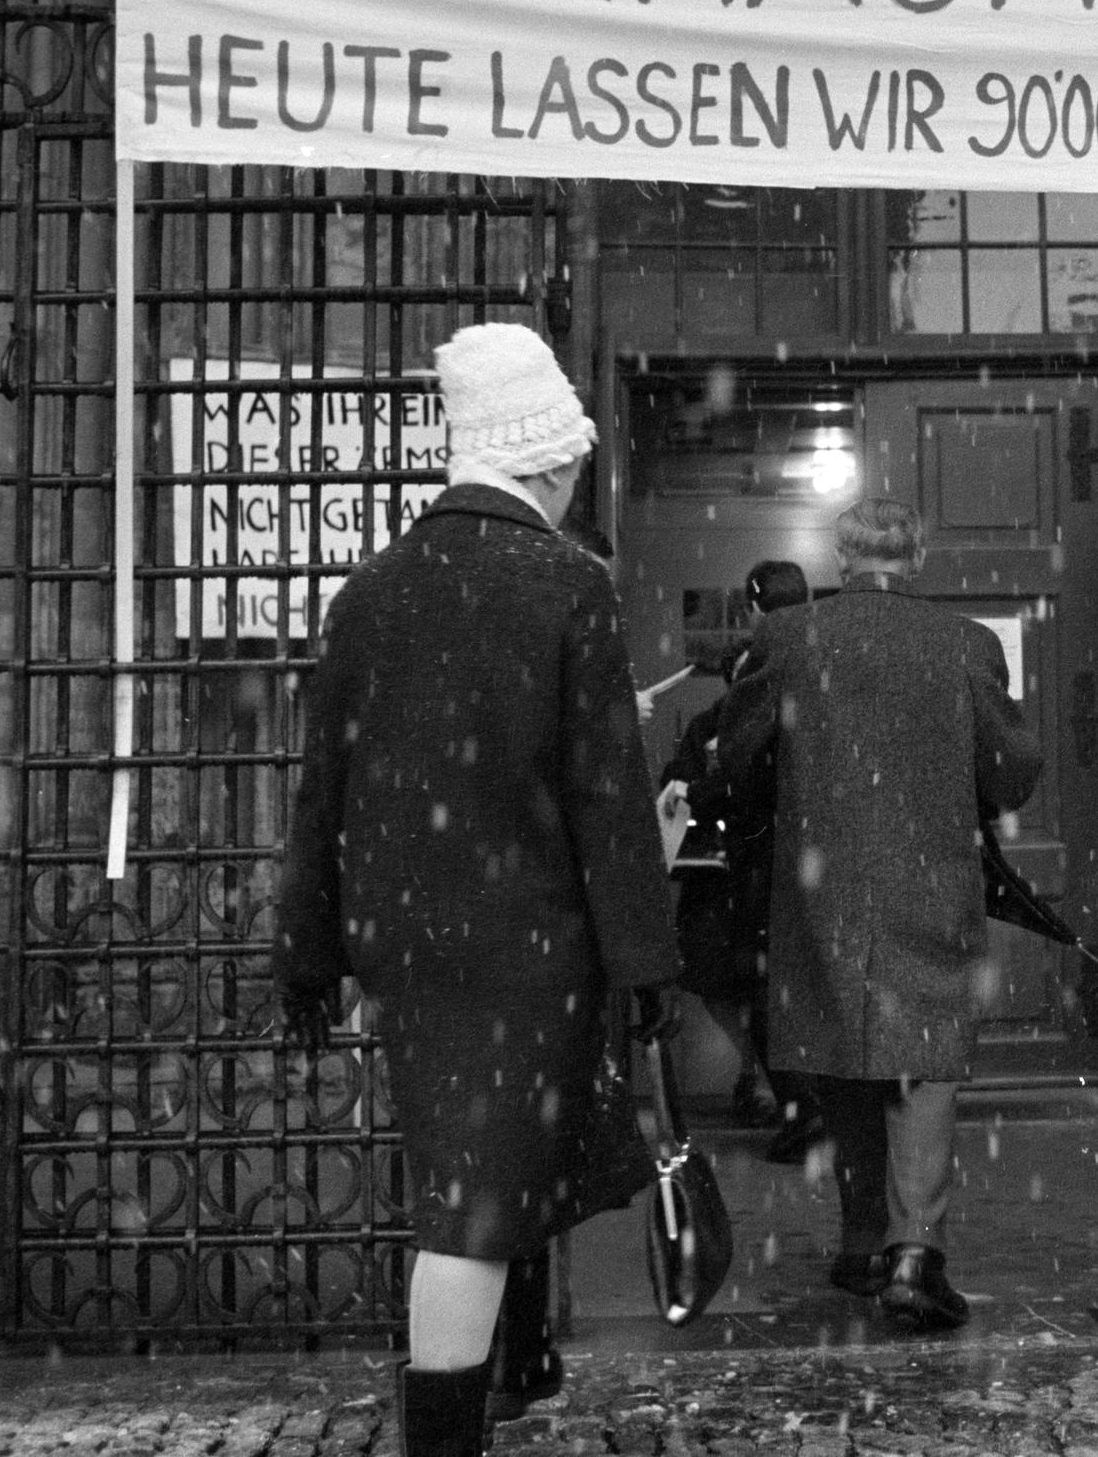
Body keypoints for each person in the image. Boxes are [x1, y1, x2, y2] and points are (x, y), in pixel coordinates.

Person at [274, 323, 681, 1457]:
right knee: (474, 1204)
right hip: (526, 944)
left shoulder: (368, 596)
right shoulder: (566, 589)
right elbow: (608, 799)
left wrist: (314, 952)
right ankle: (444, 1434)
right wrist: (646, 961)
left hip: (409, 942)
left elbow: (325, 796)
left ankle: (516, 1369)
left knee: (485, 1169)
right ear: (552, 459)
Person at [717, 498, 1043, 1332]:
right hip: (932, 878)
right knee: (923, 1061)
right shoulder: (966, 643)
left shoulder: (788, 639)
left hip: (821, 885)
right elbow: (1012, 776)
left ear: (841, 554)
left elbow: (735, 763)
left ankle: (864, 1242)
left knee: (842, 1053)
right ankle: (915, 1254)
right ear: (919, 553)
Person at [660, 558, 827, 1163]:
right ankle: (824, 1104)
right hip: (821, 857)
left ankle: (803, 1107)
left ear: (755, 607)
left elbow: (742, 773)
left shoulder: (767, 675)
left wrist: (700, 785)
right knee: (787, 985)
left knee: (764, 988)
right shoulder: (826, 662)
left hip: (766, 862)